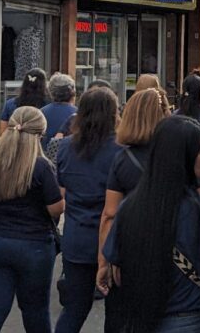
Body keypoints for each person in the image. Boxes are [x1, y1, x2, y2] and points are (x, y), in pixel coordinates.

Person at [99, 116, 200, 332]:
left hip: (141, 319)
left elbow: (119, 273)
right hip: (190, 320)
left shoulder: (129, 208)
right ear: (183, 159)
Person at [97, 88, 170, 330]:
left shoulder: (122, 160)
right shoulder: (174, 155)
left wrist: (103, 262)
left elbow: (109, 214)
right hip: (169, 245)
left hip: (129, 249)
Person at [55, 87, 122, 333]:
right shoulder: (121, 150)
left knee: (74, 309)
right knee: (116, 311)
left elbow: (61, 188)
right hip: (113, 240)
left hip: (76, 237)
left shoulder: (65, 148)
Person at [0, 107, 64, 333]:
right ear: (40, 135)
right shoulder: (41, 166)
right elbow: (55, 209)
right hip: (34, 246)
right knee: (35, 310)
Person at [0, 68, 50, 135]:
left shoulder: (10, 104)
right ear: (44, 85)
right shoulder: (49, 105)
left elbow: (2, 132)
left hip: (15, 143)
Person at [42, 73, 77, 149]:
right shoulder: (79, 114)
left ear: (50, 92)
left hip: (45, 156)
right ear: (73, 92)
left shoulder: (41, 113)